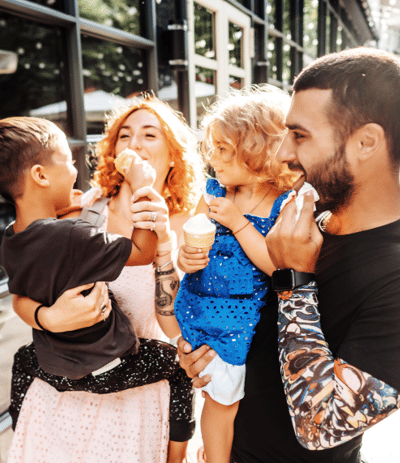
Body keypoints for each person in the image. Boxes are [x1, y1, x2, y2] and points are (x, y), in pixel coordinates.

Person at [177, 47, 400, 463]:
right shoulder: (300, 216)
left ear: (366, 142)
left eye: (299, 136)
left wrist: (294, 280)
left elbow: (321, 426)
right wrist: (205, 355)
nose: (282, 154)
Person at [0, 101, 204, 463]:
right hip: (64, 401)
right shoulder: (83, 209)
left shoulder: (193, 225)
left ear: (173, 155)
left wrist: (164, 239)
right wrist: (48, 318)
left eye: (149, 134)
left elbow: (183, 323)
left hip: (138, 396)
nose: (134, 143)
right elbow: (23, 292)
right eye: (125, 135)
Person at [174, 86, 298, 463]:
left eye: (223, 149)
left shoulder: (283, 203)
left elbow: (276, 265)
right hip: (199, 306)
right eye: (212, 148)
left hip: (241, 319)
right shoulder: (212, 191)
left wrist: (237, 221)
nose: (213, 158)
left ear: (259, 149)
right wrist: (187, 256)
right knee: (216, 394)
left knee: (225, 397)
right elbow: (191, 242)